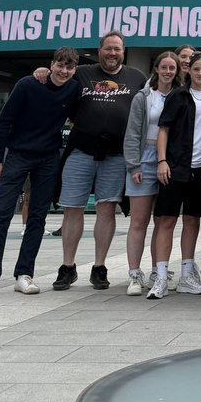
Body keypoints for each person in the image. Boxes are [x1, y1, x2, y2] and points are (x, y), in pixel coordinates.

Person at [0, 48, 80, 297]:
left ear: (75, 70)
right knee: (1, 215)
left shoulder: (73, 88)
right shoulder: (28, 84)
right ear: (51, 65)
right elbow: (3, 122)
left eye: (69, 67)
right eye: (60, 65)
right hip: (18, 155)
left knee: (37, 218)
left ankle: (24, 274)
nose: (64, 71)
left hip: (48, 158)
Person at [51, 31, 147, 291]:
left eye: (117, 49)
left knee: (106, 208)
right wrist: (41, 72)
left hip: (117, 155)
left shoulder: (137, 78)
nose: (113, 53)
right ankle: (67, 267)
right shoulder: (82, 73)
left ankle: (99, 266)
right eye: (108, 49)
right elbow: (57, 79)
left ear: (123, 51)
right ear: (99, 50)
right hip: (81, 150)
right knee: (72, 208)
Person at [150, 51, 201, 299]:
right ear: (189, 71)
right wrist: (162, 161)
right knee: (166, 220)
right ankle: (161, 276)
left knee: (192, 220)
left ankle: (186, 274)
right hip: (175, 167)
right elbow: (164, 129)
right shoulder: (178, 95)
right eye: (196, 69)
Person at [122, 50, 182, 295]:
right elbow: (132, 132)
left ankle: (159, 270)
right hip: (144, 157)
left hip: (169, 159)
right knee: (139, 221)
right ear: (156, 69)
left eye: (173, 68)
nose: (168, 72)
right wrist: (133, 165)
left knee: (163, 220)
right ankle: (135, 274)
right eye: (164, 67)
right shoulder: (144, 97)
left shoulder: (181, 96)